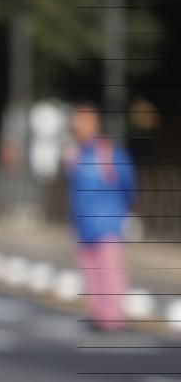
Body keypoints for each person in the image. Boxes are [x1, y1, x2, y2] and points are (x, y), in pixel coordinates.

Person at [64, 103, 136, 332]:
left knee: (110, 270)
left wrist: (123, 211)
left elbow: (128, 183)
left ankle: (112, 317)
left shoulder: (108, 152)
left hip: (108, 223)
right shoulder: (75, 155)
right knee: (91, 271)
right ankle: (98, 314)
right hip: (84, 225)